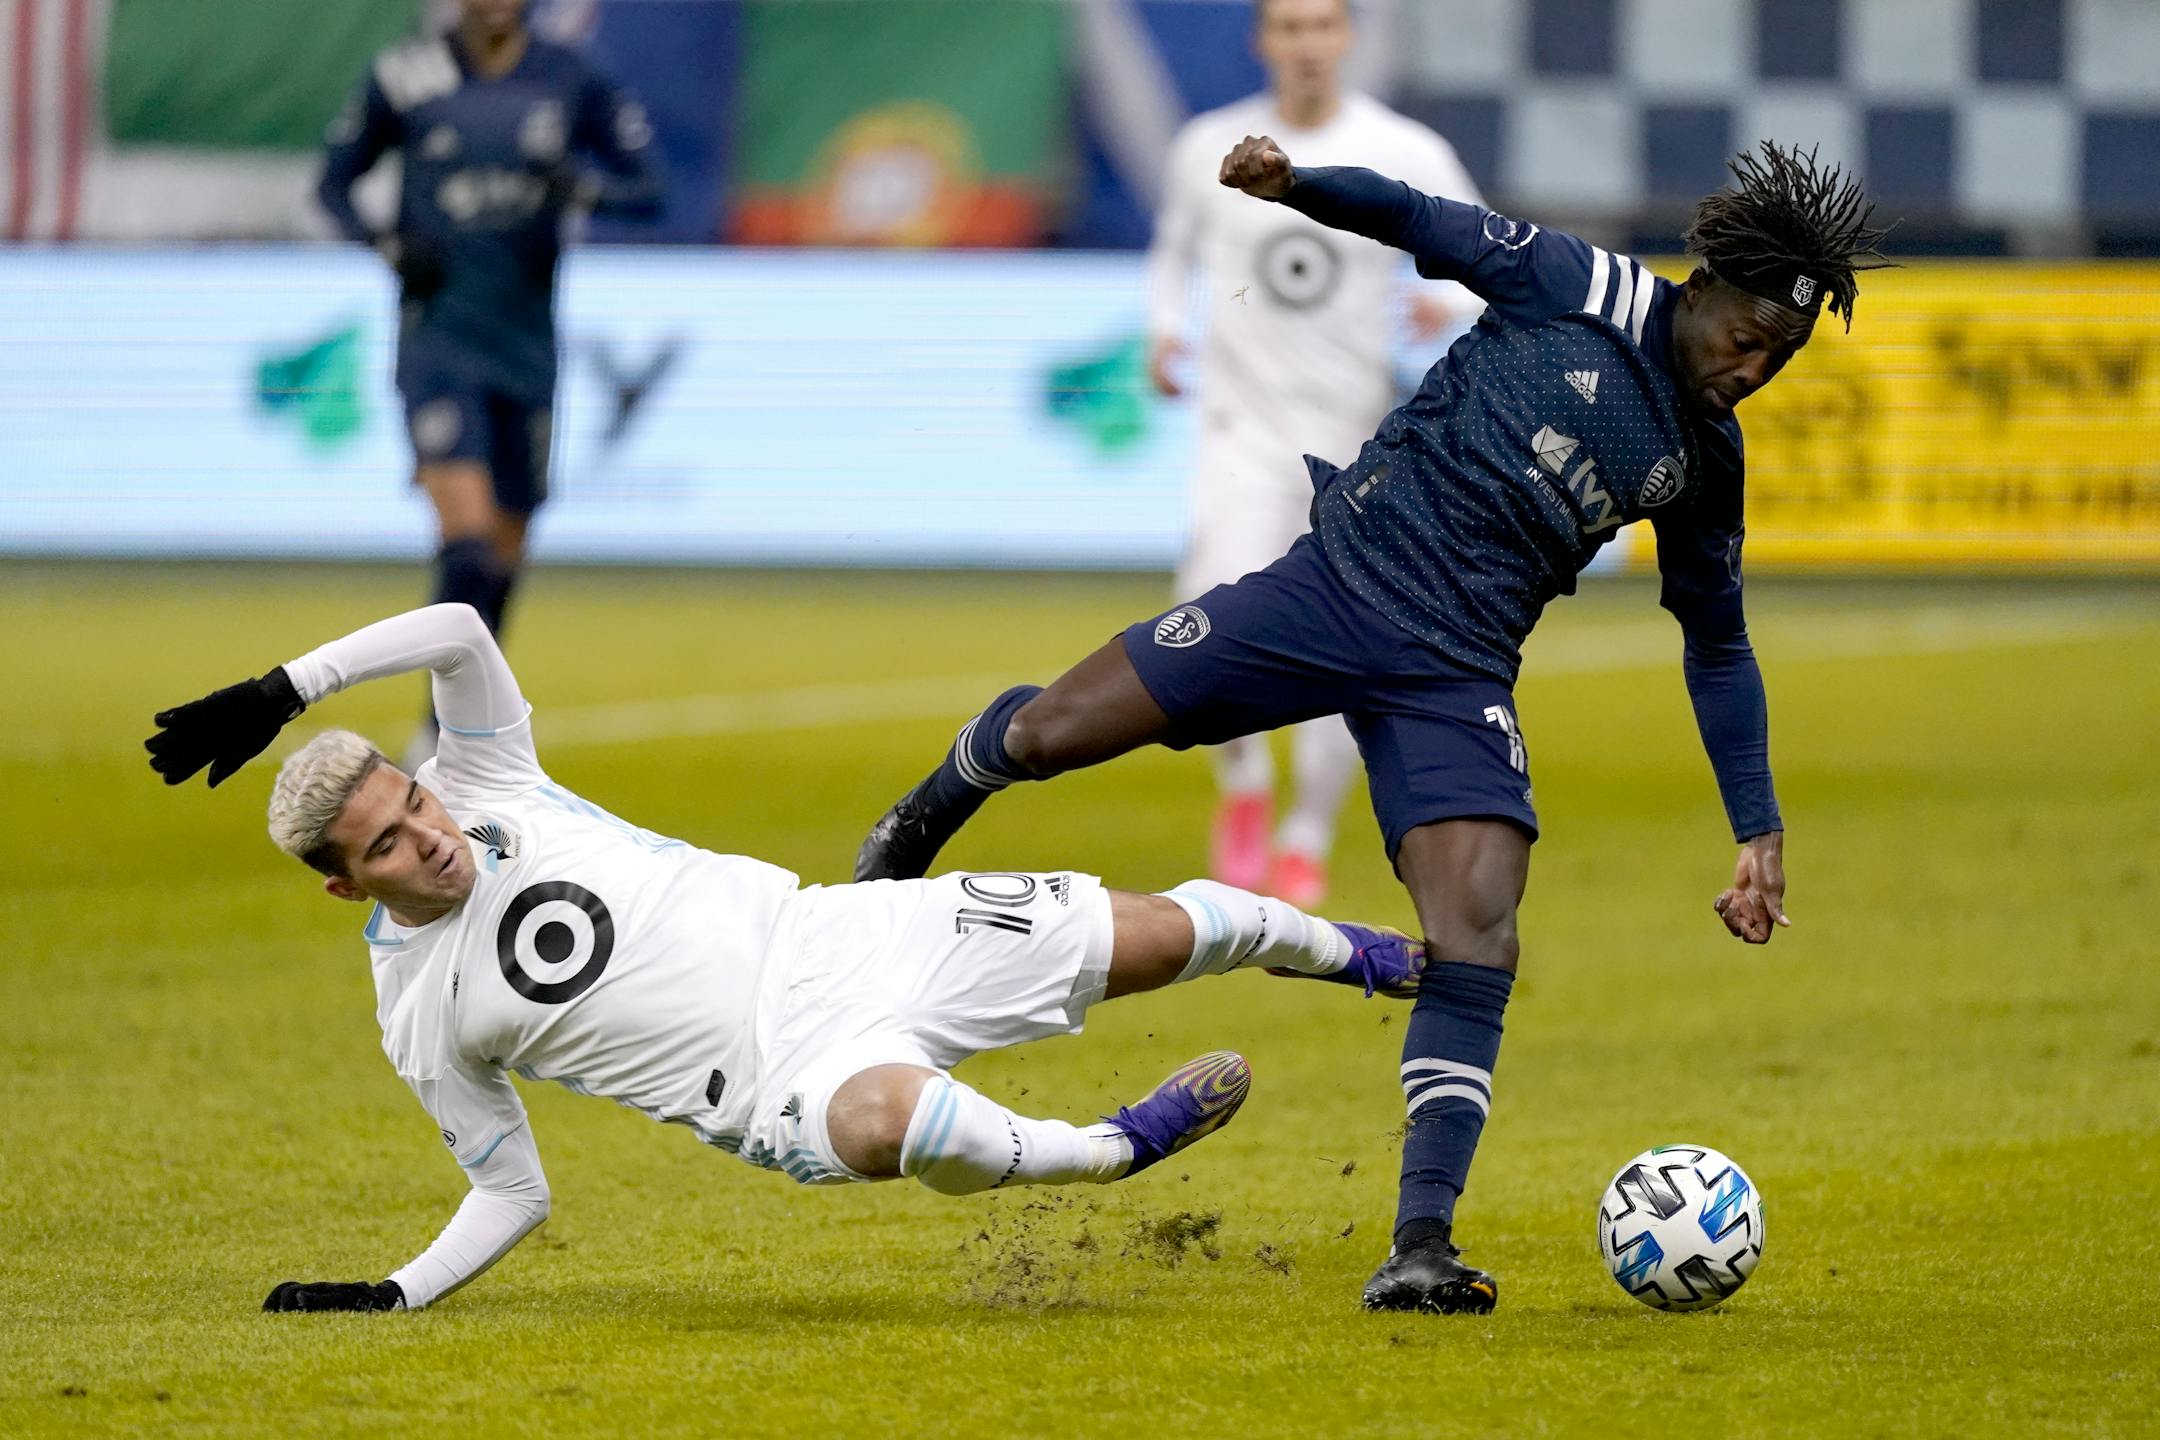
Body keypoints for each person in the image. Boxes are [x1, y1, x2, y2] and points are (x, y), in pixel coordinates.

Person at [857, 137, 1891, 1313]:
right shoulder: (1577, 286)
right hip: (1331, 590)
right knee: (1049, 735)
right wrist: (1293, 185)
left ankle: (1420, 1245)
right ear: (1698, 287)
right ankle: (924, 814)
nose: (1755, 367)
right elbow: (1416, 216)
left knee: (1479, 932)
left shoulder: (1706, 460)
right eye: (1747, 336)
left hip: (1454, 678)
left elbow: (1717, 642)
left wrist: (1754, 826)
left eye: (1783, 356)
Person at [142, 602, 1423, 1313]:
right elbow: (511, 1193)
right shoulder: (418, 1012)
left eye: (410, 804)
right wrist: (392, 1294)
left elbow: (464, 630)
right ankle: (1114, 1148)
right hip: (774, 1083)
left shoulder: (485, 772)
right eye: (385, 846)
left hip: (836, 930)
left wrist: (286, 685)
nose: (425, 839)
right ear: (341, 883)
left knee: (1168, 931)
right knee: (893, 1121)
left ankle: (1361, 955)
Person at [1145, 0, 1483, 906]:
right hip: (1240, 436)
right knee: (1201, 617)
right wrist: (1164, 331)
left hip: (1353, 449)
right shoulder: (1206, 146)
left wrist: (1442, 306)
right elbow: (1174, 250)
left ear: (1347, 39)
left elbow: (1484, 252)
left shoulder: (1401, 149)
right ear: (1264, 43)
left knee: (1346, 645)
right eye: (1288, 27)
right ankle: (1246, 788)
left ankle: (1306, 834)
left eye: (1321, 25)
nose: (1306, 44)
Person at [316, 0, 662, 766]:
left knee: (502, 560)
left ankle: (459, 726)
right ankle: (436, 734)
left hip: (528, 349)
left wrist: (579, 186)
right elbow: (333, 183)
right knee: (468, 548)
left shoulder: (571, 79)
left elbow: (649, 187)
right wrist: (386, 244)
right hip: (439, 341)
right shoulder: (409, 74)